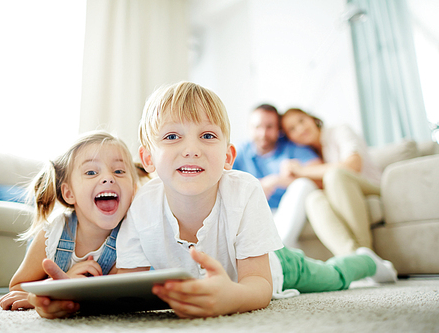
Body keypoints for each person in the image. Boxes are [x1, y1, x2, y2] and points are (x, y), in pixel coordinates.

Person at [28, 82, 397, 319]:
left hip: (274, 265)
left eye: (207, 135)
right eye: (172, 137)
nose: (191, 149)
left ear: (227, 156)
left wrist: (232, 298)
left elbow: (258, 285)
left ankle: (362, 261)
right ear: (149, 158)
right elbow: (130, 285)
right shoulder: (141, 205)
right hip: (222, 276)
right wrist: (76, 301)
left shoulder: (244, 190)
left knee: (332, 277)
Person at [0, 131, 140, 312]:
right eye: (91, 172)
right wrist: (62, 283)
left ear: (133, 190)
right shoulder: (53, 232)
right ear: (68, 193)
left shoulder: (133, 235)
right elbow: (18, 287)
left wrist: (73, 290)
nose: (108, 177)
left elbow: (121, 297)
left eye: (119, 171)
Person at [280, 108, 382, 256]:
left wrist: (301, 170)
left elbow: (352, 166)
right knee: (313, 199)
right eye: (292, 129)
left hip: (369, 186)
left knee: (335, 176)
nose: (301, 128)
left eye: (301, 121)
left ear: (311, 118)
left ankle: (365, 250)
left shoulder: (340, 131)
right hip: (342, 197)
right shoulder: (311, 156)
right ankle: (355, 259)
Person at [233, 104, 321, 247]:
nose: (263, 133)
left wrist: (276, 181)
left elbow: (318, 173)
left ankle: (279, 247)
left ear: (278, 129)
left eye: (269, 127)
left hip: (288, 212)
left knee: (303, 185)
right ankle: (280, 248)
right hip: (256, 214)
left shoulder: (291, 147)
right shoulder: (239, 151)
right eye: (257, 127)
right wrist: (255, 186)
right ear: (249, 128)